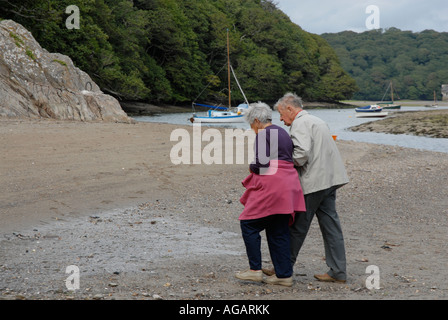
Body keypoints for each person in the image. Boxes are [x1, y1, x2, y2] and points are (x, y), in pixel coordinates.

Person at [274, 92, 349, 283]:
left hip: (314, 182)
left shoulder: (300, 123)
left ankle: (283, 268)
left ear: (290, 108)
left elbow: (300, 154)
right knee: (331, 227)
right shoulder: (317, 120)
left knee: (297, 226)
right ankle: (338, 271)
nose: (282, 120)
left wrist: (280, 163)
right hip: (330, 180)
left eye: (281, 114)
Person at [236, 102, 306, 287]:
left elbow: (262, 165)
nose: (252, 129)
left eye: (251, 125)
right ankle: (283, 275)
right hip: (290, 183)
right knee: (278, 230)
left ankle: (255, 271)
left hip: (273, 185)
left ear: (257, 121)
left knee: (248, 223)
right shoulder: (282, 132)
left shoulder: (263, 134)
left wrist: (251, 166)